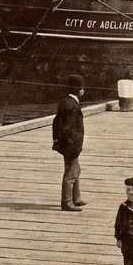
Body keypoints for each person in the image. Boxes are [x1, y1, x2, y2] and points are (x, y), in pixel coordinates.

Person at [52, 75, 87, 212]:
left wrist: (56, 140)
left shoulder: (65, 101)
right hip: (71, 144)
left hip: (66, 143)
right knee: (71, 172)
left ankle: (76, 197)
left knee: (75, 169)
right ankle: (67, 202)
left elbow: (56, 122)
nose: (83, 90)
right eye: (82, 88)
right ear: (78, 89)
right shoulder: (72, 105)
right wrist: (72, 144)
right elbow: (69, 128)